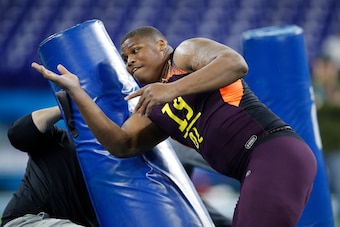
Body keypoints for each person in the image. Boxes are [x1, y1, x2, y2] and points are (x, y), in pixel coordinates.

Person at [32, 26, 317, 227]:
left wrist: (170, 89)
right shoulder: (153, 102)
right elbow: (122, 144)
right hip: (250, 170)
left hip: (272, 150)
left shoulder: (184, 54)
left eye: (135, 50)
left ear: (161, 45)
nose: (129, 60)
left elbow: (235, 64)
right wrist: (78, 93)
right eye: (124, 59)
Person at [1, 106, 99, 227]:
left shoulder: (120, 169)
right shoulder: (59, 140)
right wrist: (67, 105)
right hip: (28, 221)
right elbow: (18, 134)